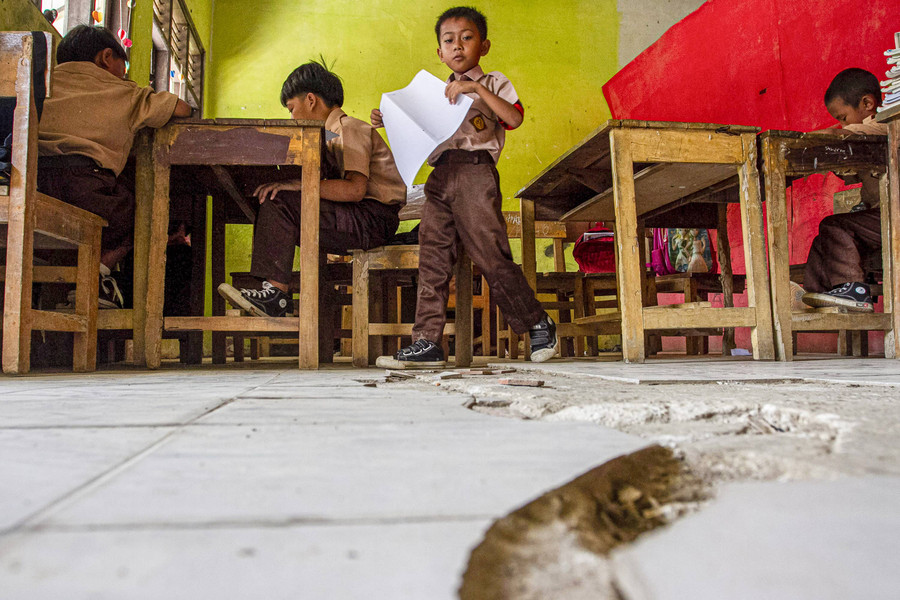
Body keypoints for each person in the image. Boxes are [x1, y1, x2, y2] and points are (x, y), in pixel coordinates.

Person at [370, 6, 558, 367]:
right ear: (439, 52)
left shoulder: (493, 84)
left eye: (467, 37)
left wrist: (473, 88)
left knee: (490, 253)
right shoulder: (430, 94)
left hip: (476, 174)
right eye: (448, 40)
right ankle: (427, 342)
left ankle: (537, 322)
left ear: (483, 46)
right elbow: (416, 136)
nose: (458, 46)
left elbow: (514, 117)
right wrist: (389, 120)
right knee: (433, 259)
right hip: (439, 178)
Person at [217, 61, 406, 317]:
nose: (292, 118)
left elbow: (354, 191)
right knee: (277, 200)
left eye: (292, 109)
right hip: (359, 216)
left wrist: (296, 186)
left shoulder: (349, 127)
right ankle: (274, 292)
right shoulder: (329, 135)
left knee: (280, 199)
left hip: (372, 219)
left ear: (310, 100)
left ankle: (276, 295)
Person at [37, 25, 192, 307]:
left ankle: (76, 281)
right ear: (106, 57)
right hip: (84, 187)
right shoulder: (123, 91)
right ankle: (95, 276)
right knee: (146, 216)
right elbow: (180, 109)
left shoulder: (41, 81)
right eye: (125, 65)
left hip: (31, 186)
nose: (126, 73)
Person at [800, 68, 888, 313]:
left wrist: (797, 142)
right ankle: (818, 297)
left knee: (834, 226)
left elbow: (835, 135)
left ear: (867, 103)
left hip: (894, 218)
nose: (841, 123)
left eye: (843, 116)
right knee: (823, 239)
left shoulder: (884, 124)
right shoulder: (862, 139)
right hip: (882, 220)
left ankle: (853, 290)